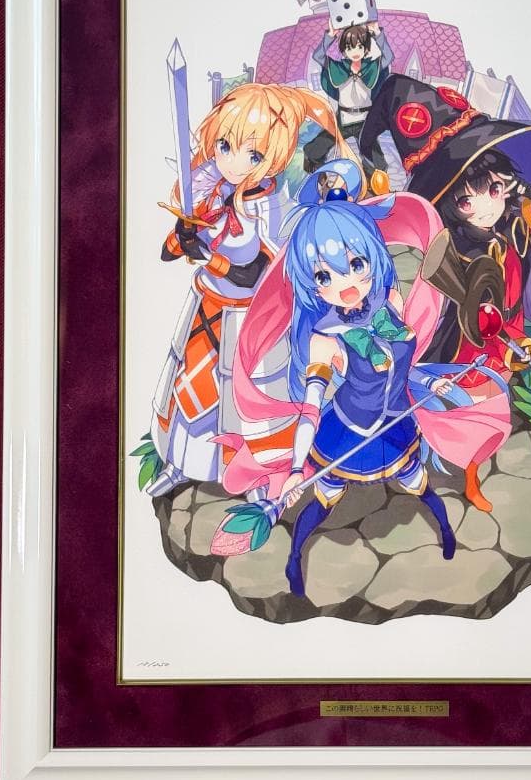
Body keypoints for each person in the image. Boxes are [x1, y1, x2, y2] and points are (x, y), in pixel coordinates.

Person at [211, 188, 512, 598]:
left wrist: (429, 382)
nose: (346, 283)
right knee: (324, 501)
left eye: (356, 264)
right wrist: (297, 467)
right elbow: (310, 411)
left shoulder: (390, 301)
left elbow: (402, 365)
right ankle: (295, 556)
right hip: (347, 432)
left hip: (397, 422)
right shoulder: (324, 338)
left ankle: (445, 531)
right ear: (311, 285)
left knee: (420, 485)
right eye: (324, 276)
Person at [359, 74, 531, 512]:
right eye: (466, 200)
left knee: (491, 410)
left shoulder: (514, 219)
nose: (485, 207)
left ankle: (470, 476)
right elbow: (455, 305)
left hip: (508, 331)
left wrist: (528, 197)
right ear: (448, 205)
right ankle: (421, 459)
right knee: (460, 409)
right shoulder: (453, 248)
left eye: (494, 189)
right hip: (465, 343)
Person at [147, 83, 359, 496]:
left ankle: (257, 476)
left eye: (254, 154)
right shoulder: (213, 194)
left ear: (275, 156)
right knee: (193, 387)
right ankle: (183, 462)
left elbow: (259, 273)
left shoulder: (275, 205)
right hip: (208, 307)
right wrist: (183, 234)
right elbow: (166, 253)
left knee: (250, 402)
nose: (233, 162)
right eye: (225, 146)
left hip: (254, 320)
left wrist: (210, 257)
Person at [305, 20, 394, 183]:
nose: (355, 51)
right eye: (349, 47)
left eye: (359, 46)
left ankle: (374, 185)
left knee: (376, 161)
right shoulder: (338, 67)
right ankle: (319, 179)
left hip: (365, 120)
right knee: (315, 149)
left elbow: (389, 56)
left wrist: (377, 33)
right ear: (344, 50)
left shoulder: (372, 67)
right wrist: (330, 36)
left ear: (365, 49)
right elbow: (318, 56)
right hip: (343, 118)